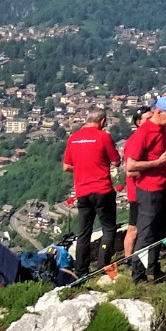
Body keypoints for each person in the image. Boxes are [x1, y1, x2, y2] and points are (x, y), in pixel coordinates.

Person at [125, 96, 166, 283]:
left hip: (164, 188)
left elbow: (164, 148)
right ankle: (138, 276)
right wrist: (158, 163)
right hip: (149, 190)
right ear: (158, 112)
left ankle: (153, 269)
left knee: (159, 232)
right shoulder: (144, 133)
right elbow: (130, 167)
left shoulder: (163, 129)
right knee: (146, 234)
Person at [62, 107, 120, 276]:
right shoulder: (103, 136)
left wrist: (82, 169)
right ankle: (103, 267)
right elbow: (116, 162)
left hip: (83, 192)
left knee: (84, 233)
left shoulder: (73, 138)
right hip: (102, 190)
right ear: (102, 121)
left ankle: (81, 271)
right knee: (108, 229)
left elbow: (66, 166)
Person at [120, 106, 150, 271]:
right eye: (147, 119)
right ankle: (128, 259)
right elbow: (129, 170)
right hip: (136, 191)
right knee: (133, 227)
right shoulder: (134, 141)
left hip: (145, 189)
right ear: (139, 122)